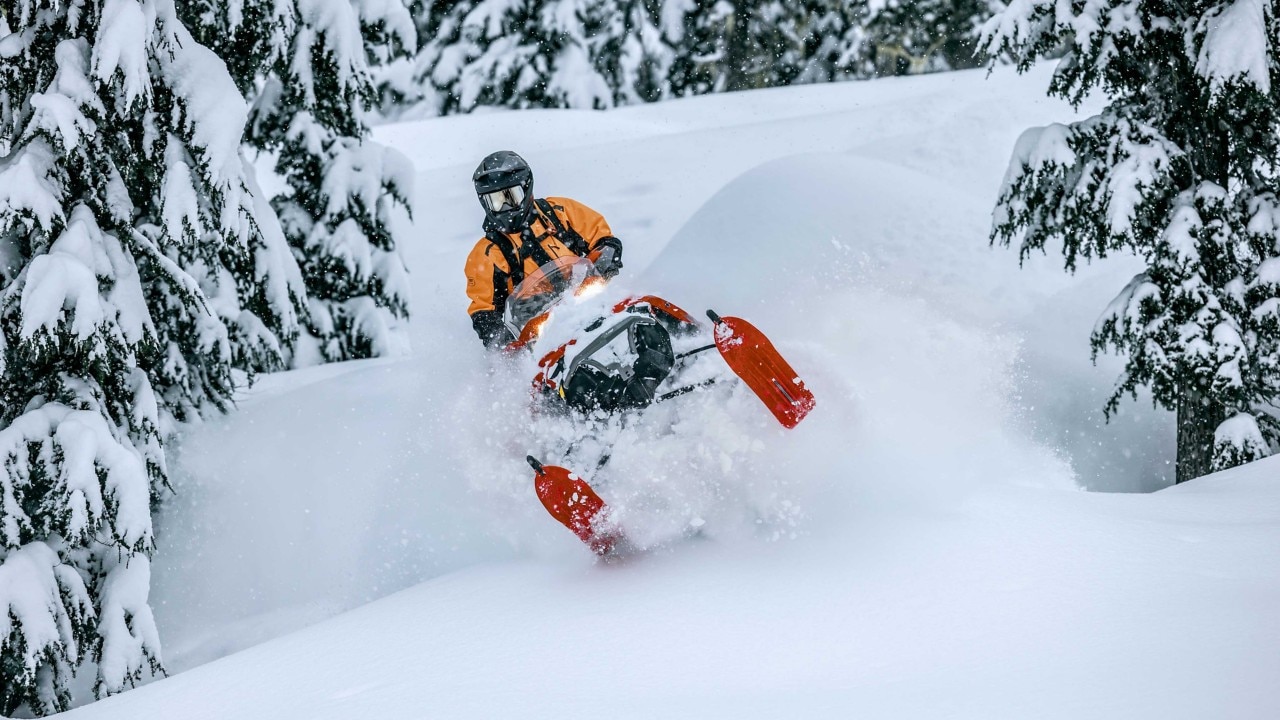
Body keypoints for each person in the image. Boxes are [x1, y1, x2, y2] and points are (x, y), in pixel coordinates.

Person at [464, 151, 624, 348]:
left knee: (628, 313)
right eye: (496, 201)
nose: (505, 207)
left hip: (584, 296)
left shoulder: (559, 211)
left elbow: (602, 237)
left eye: (511, 197)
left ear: (526, 188)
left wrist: (606, 258)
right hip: (539, 328)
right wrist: (502, 339)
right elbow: (483, 310)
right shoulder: (485, 255)